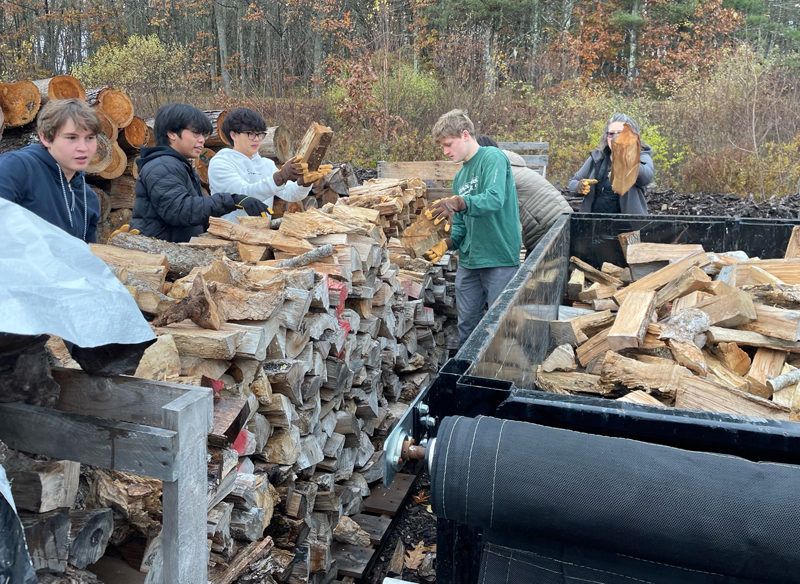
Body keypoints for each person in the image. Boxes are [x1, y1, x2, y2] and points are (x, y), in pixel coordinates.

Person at [426, 109, 522, 347]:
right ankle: (467, 373)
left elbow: (494, 198)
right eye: (442, 147)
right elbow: (460, 226)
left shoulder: (492, 158)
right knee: (466, 325)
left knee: (500, 326)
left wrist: (459, 202)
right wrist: (447, 243)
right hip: (469, 263)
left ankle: (496, 377)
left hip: (499, 258)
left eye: (449, 144)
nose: (445, 151)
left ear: (465, 135)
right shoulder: (460, 178)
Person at [132, 103, 269, 242]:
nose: (202, 140)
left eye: (203, 135)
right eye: (196, 133)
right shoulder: (161, 166)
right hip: (159, 255)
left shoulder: (176, 165)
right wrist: (232, 200)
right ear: (171, 133)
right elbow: (179, 211)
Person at [0, 98, 101, 242]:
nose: (83, 148)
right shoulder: (17, 168)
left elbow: (85, 257)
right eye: (72, 137)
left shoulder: (88, 198)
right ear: (45, 138)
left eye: (90, 138)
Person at [477, 135, 572, 256]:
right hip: (559, 218)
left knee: (533, 271)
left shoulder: (500, 172)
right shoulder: (509, 166)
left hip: (549, 224)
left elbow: (492, 211)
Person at [208, 107, 312, 218]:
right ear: (233, 135)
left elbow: (291, 193)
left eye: (260, 134)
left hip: (261, 232)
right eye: (250, 134)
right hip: (228, 233)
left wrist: (305, 182)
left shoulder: (266, 164)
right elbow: (244, 195)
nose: (256, 139)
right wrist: (280, 177)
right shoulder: (221, 163)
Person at [568, 113, 654, 214]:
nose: (615, 138)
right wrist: (579, 186)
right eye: (611, 134)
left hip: (628, 226)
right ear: (606, 136)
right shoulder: (598, 157)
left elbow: (646, 177)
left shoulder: (641, 156)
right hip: (592, 224)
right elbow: (572, 183)